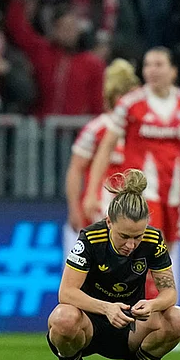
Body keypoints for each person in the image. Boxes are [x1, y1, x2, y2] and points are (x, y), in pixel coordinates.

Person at [83, 47, 180, 298]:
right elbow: (105, 148)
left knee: (164, 258)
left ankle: (157, 328)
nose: (152, 70)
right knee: (147, 256)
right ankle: (141, 323)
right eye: (148, 65)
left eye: (159, 64)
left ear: (173, 71)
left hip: (173, 193)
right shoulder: (131, 103)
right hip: (144, 196)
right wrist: (92, 191)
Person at [48, 169, 180, 360]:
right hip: (88, 325)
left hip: (131, 324)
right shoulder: (92, 239)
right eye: (124, 236)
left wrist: (152, 306)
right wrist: (107, 307)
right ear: (109, 222)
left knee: (177, 318)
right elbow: (66, 293)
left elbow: (169, 293)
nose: (131, 244)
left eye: (138, 236)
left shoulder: (153, 240)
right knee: (63, 318)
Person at [66, 58, 141, 232]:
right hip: (101, 208)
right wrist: (74, 208)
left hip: (133, 209)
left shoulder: (140, 129)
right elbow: (76, 169)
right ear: (118, 97)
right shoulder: (97, 129)